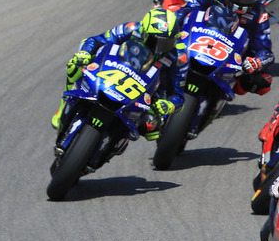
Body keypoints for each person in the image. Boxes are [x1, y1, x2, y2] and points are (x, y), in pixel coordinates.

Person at [51, 8, 187, 141]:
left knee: (151, 127)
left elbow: (178, 95)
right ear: (144, 32)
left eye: (166, 43)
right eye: (155, 41)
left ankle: (115, 141)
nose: (159, 49)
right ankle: (63, 107)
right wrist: (85, 53)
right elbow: (96, 40)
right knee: (75, 66)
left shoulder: (177, 57)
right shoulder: (130, 29)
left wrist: (168, 105)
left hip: (148, 91)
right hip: (114, 70)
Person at [173, 0, 275, 97]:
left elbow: (265, 48)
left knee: (263, 81)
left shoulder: (259, 14)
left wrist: (257, 62)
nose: (241, 0)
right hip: (200, 38)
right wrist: (174, 20)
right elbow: (188, 8)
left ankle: (226, 92)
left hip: (236, 53)